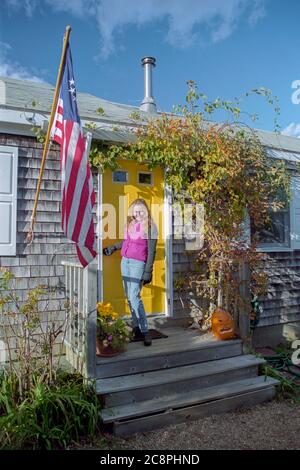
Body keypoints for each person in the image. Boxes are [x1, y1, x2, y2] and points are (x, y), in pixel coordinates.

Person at [103, 198, 157, 346]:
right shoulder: (131, 225)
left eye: (140, 210)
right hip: (125, 262)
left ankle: (145, 331)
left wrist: (148, 272)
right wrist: (113, 247)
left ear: (145, 211)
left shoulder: (151, 227)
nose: (138, 213)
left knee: (134, 297)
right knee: (129, 296)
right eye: (135, 210)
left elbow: (152, 251)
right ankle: (136, 327)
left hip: (137, 264)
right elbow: (126, 242)